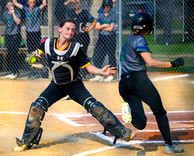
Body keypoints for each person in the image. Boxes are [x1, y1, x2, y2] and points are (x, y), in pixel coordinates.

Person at [14, 18, 135, 152]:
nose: (70, 32)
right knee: (36, 108)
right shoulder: (47, 44)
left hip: (74, 86)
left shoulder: (76, 48)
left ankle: (122, 132)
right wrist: (32, 58)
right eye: (67, 28)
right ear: (60, 29)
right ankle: (25, 141)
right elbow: (35, 55)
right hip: (56, 85)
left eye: (73, 30)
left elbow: (89, 68)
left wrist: (101, 71)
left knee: (96, 108)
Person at [119, 12, 185, 154]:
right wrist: (172, 64)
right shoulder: (140, 40)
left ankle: (129, 110)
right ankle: (169, 146)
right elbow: (150, 62)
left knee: (141, 123)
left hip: (124, 83)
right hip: (138, 81)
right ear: (146, 26)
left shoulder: (128, 39)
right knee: (160, 112)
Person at [13, 0, 47, 78]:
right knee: (30, 51)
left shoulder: (37, 9)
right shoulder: (26, 9)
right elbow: (15, 3)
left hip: (36, 33)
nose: (32, 4)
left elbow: (44, 4)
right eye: (31, 2)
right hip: (29, 33)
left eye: (34, 2)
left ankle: (38, 71)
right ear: (28, 3)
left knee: (36, 51)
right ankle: (33, 70)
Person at [64, 0, 97, 80]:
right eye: (74, 3)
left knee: (82, 54)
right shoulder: (71, 12)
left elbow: (94, 20)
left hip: (83, 37)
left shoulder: (85, 12)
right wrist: (70, 1)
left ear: (80, 3)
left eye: (77, 3)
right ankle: (74, 72)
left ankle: (83, 73)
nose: (76, 4)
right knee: (73, 54)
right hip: (74, 38)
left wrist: (89, 29)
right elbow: (63, 6)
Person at [89, 0, 116, 82]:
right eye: (105, 6)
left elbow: (111, 28)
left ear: (110, 7)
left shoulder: (113, 16)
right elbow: (97, 28)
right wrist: (104, 25)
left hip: (110, 38)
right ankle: (99, 74)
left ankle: (111, 75)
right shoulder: (100, 15)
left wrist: (101, 27)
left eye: (108, 6)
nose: (106, 8)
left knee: (111, 56)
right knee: (97, 55)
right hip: (102, 38)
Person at [1, 0, 22, 79]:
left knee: (14, 53)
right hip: (8, 35)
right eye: (9, 5)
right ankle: (13, 72)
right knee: (10, 54)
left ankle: (16, 72)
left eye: (12, 5)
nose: (11, 6)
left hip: (15, 35)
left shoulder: (17, 12)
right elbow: (2, 23)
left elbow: (18, 22)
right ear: (7, 6)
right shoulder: (5, 13)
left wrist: (13, 13)